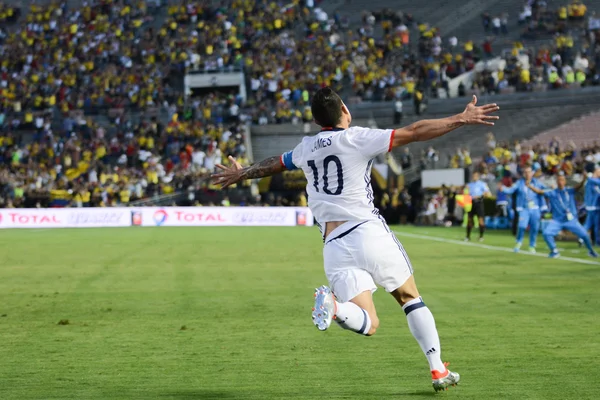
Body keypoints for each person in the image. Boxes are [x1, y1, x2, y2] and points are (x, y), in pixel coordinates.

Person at [212, 87, 499, 392]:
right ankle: (437, 368)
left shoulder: (306, 147)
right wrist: (461, 118)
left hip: (334, 244)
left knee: (369, 323)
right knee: (409, 297)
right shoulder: (357, 137)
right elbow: (414, 131)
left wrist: (243, 173)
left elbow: (274, 164)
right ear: (345, 110)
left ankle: (334, 309)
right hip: (366, 231)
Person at [527, 173, 598, 258]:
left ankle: (591, 251)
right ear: (557, 182)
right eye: (559, 180)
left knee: (584, 235)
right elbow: (539, 192)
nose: (560, 182)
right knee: (546, 233)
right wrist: (529, 186)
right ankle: (554, 251)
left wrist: (583, 180)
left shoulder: (569, 191)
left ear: (565, 182)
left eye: (562, 180)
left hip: (570, 220)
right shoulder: (552, 193)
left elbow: (578, 187)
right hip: (557, 221)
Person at [498, 166, 546, 253]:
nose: (527, 174)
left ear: (532, 173)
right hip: (524, 208)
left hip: (535, 208)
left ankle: (532, 245)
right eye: (525, 172)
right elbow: (511, 190)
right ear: (524, 174)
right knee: (522, 225)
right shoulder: (519, 183)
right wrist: (503, 189)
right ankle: (519, 242)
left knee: (534, 228)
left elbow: (545, 189)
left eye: (529, 172)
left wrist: (553, 187)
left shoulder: (537, 183)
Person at [465, 172, 491, 242]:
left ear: (478, 177)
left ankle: (481, 236)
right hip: (471, 203)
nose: (474, 177)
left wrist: (480, 196)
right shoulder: (469, 185)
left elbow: (488, 193)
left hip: (479, 203)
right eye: (473, 176)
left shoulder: (482, 184)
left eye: (476, 176)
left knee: (481, 221)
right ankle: (467, 236)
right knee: (469, 220)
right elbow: (465, 194)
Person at [583, 166, 600, 246]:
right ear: (596, 171)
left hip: (593, 205)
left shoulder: (591, 180)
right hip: (593, 206)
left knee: (590, 224)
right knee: (593, 224)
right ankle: (596, 241)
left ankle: (582, 239)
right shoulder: (592, 181)